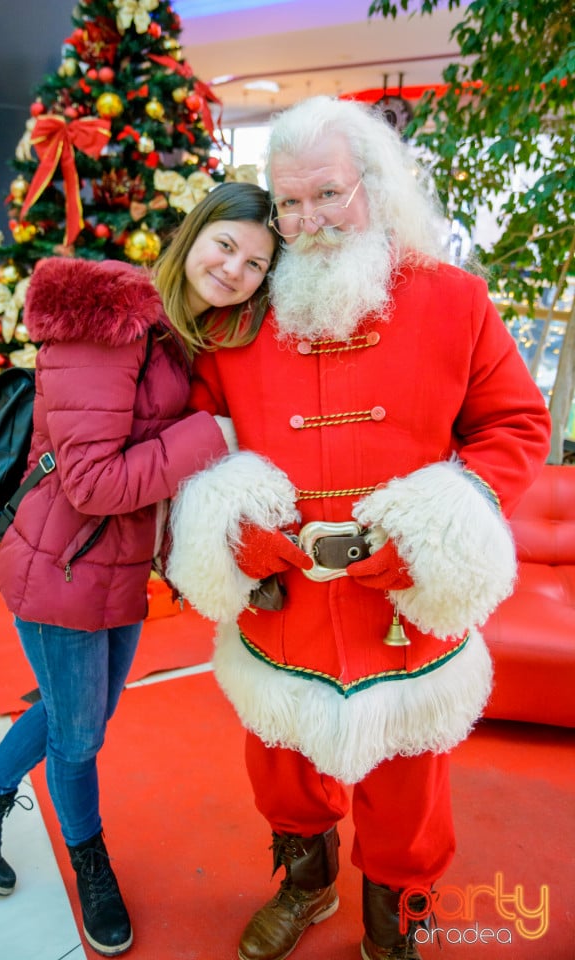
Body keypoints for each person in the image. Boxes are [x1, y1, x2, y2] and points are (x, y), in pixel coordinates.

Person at [165, 97, 552, 960]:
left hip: (405, 605)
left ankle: (394, 918)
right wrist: (231, 523)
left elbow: (515, 426)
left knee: (410, 779)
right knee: (279, 759)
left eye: (328, 194)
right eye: (289, 202)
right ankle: (306, 886)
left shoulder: (454, 299)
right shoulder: (239, 312)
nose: (307, 221)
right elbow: (200, 435)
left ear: (372, 186)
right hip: (282, 598)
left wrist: (438, 528)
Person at [0, 181, 277, 958]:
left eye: (256, 263)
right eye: (226, 244)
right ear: (194, 234)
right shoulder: (110, 325)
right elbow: (92, 485)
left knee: (77, 713)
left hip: (111, 571)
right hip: (62, 568)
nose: (235, 269)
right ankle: (89, 858)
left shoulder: (178, 335)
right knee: (80, 730)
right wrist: (210, 433)